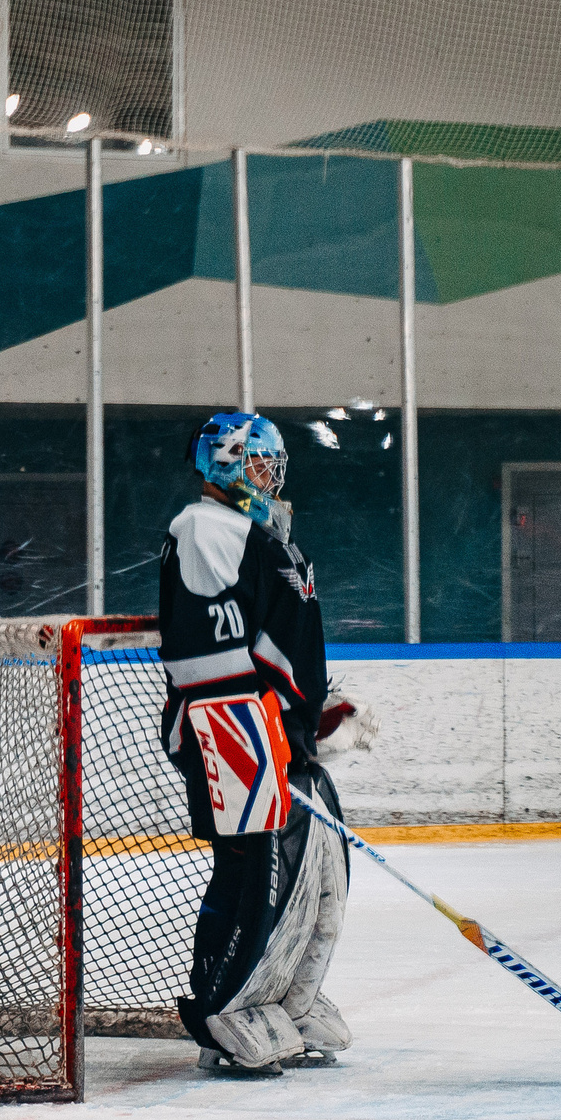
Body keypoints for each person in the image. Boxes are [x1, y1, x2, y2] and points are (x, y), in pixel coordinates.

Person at [157, 411, 365, 1078]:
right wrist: (262, 723)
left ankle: (287, 997)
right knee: (253, 870)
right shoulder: (203, 528)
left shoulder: (263, 530)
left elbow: (287, 630)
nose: (268, 478)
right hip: (237, 732)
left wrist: (319, 706)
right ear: (223, 463)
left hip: (275, 730)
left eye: (272, 466)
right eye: (256, 465)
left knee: (317, 866)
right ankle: (225, 1006)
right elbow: (206, 647)